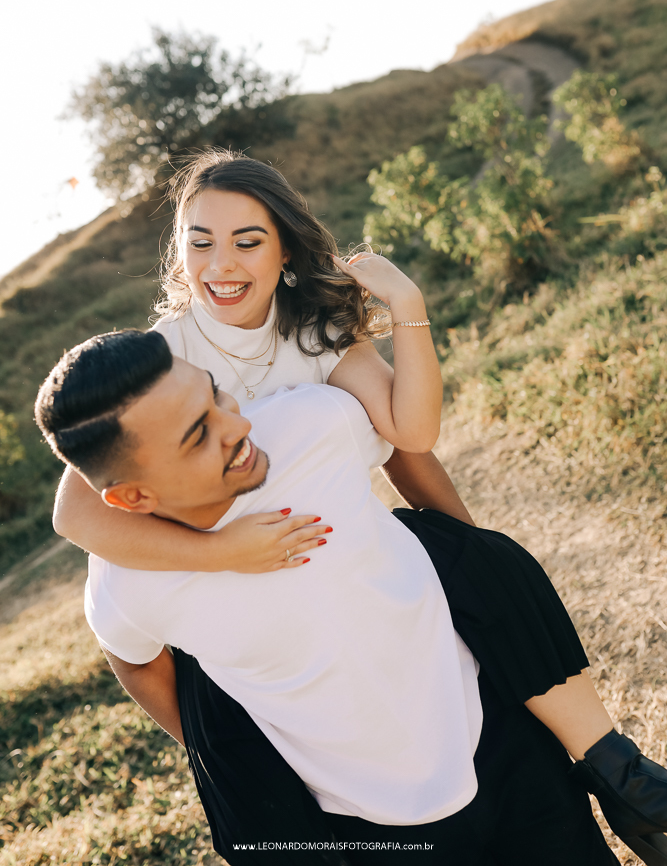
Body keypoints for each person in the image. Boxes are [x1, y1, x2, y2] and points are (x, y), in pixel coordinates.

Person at [51, 152, 667, 863]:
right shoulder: (162, 362)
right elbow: (77, 515)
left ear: (284, 248)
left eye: (246, 241)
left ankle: (614, 770)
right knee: (237, 728)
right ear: (178, 250)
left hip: (339, 530)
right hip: (227, 555)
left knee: (476, 562)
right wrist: (221, 553)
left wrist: (408, 312)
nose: (219, 263)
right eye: (199, 240)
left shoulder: (310, 331)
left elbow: (410, 440)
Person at [36, 329, 620, 865]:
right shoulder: (128, 585)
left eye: (215, 396)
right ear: (133, 497)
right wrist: (222, 750)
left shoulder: (312, 422)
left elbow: (406, 440)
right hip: (361, 822)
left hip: (497, 739)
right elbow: (132, 659)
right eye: (198, 437)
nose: (236, 427)